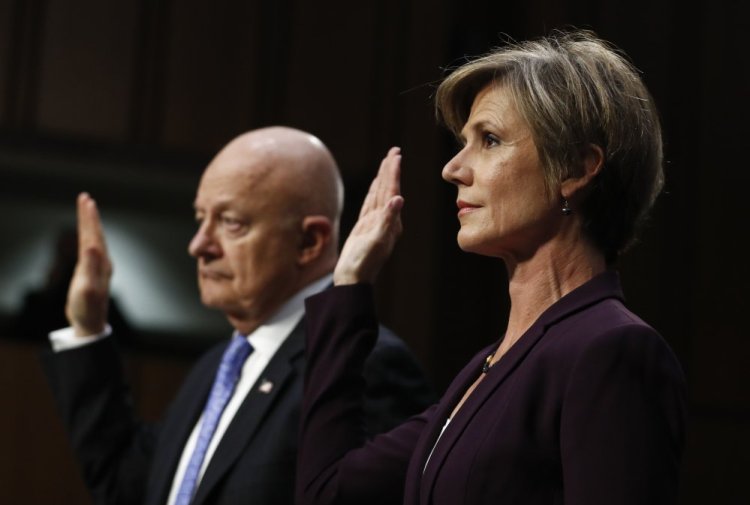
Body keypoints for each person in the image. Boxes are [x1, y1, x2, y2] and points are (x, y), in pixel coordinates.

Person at [296, 30, 688, 505]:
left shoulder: (612, 351)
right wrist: (350, 283)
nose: (453, 168)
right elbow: (328, 491)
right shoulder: (488, 367)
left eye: (490, 139)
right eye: (465, 142)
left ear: (577, 169)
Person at [41, 126, 434, 505]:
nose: (199, 245)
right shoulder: (217, 367)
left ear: (309, 242)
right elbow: (129, 488)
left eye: (231, 223)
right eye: (200, 219)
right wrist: (88, 328)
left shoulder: (366, 362)